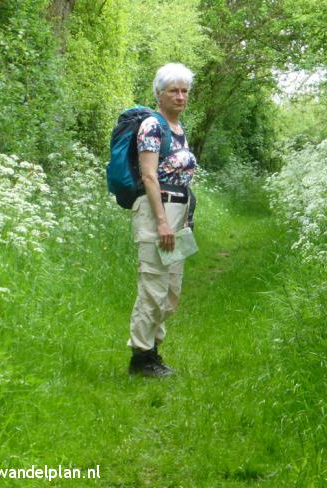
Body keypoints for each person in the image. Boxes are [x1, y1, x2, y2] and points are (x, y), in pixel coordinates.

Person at [127, 63, 197, 377]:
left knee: (170, 291)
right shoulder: (152, 126)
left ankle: (152, 352)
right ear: (159, 94)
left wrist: (182, 221)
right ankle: (141, 358)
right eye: (174, 91)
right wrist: (162, 222)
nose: (180, 96)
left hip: (178, 213)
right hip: (159, 211)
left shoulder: (178, 129)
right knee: (153, 286)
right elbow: (149, 176)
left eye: (184, 91)